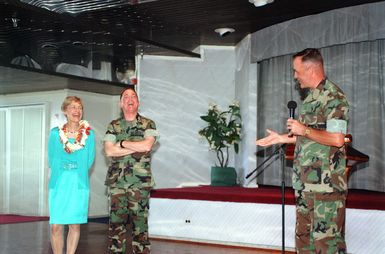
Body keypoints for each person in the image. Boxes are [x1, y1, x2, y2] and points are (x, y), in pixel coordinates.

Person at [256, 48, 349, 253]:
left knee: (327, 245)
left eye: (297, 71)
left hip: (327, 188)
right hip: (306, 185)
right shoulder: (309, 100)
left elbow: (337, 139)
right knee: (304, 243)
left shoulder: (333, 97)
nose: (295, 76)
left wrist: (304, 130)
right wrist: (282, 138)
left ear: (310, 69)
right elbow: (309, 139)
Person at [103, 87, 159, 254]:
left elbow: (147, 145)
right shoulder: (113, 125)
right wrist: (136, 147)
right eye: (126, 96)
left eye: (133, 96)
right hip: (117, 183)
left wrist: (121, 143)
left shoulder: (148, 124)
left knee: (140, 226)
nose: (129, 98)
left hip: (139, 184)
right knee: (115, 226)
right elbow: (109, 151)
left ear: (138, 103)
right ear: (121, 103)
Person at [48, 96, 96, 254]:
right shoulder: (55, 134)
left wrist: (75, 171)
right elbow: (52, 158)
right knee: (56, 226)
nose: (77, 111)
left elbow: (89, 161)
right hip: (59, 185)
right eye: (73, 107)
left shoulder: (89, 135)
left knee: (74, 225)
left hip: (78, 184)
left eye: (80, 107)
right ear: (65, 111)